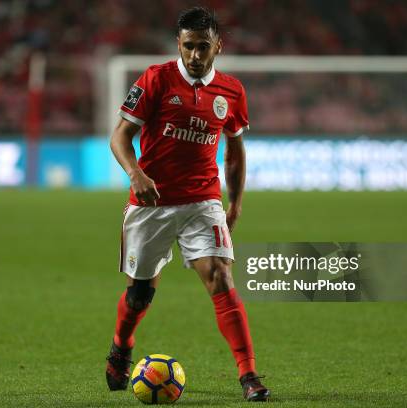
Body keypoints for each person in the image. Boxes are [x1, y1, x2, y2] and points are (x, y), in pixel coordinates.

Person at [105, 7, 270, 402]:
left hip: (203, 201)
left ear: (218, 46)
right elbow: (120, 137)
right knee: (140, 295)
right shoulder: (156, 79)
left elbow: (234, 151)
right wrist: (136, 174)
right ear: (179, 44)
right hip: (152, 203)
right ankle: (121, 346)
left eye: (203, 47)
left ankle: (248, 375)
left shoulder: (231, 91)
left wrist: (236, 202)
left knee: (221, 279)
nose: (195, 56)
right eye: (188, 47)